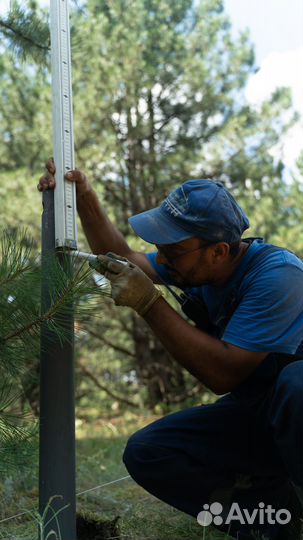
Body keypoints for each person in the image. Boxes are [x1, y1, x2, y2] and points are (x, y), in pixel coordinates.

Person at [38, 160, 303, 540]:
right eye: (159, 247)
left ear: (219, 251)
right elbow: (126, 260)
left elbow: (223, 374)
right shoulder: (196, 267)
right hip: (264, 416)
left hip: (295, 411)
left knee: (297, 383)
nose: (161, 259)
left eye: (173, 250)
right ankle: (272, 517)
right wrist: (85, 198)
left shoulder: (279, 277)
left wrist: (150, 304)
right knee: (149, 451)